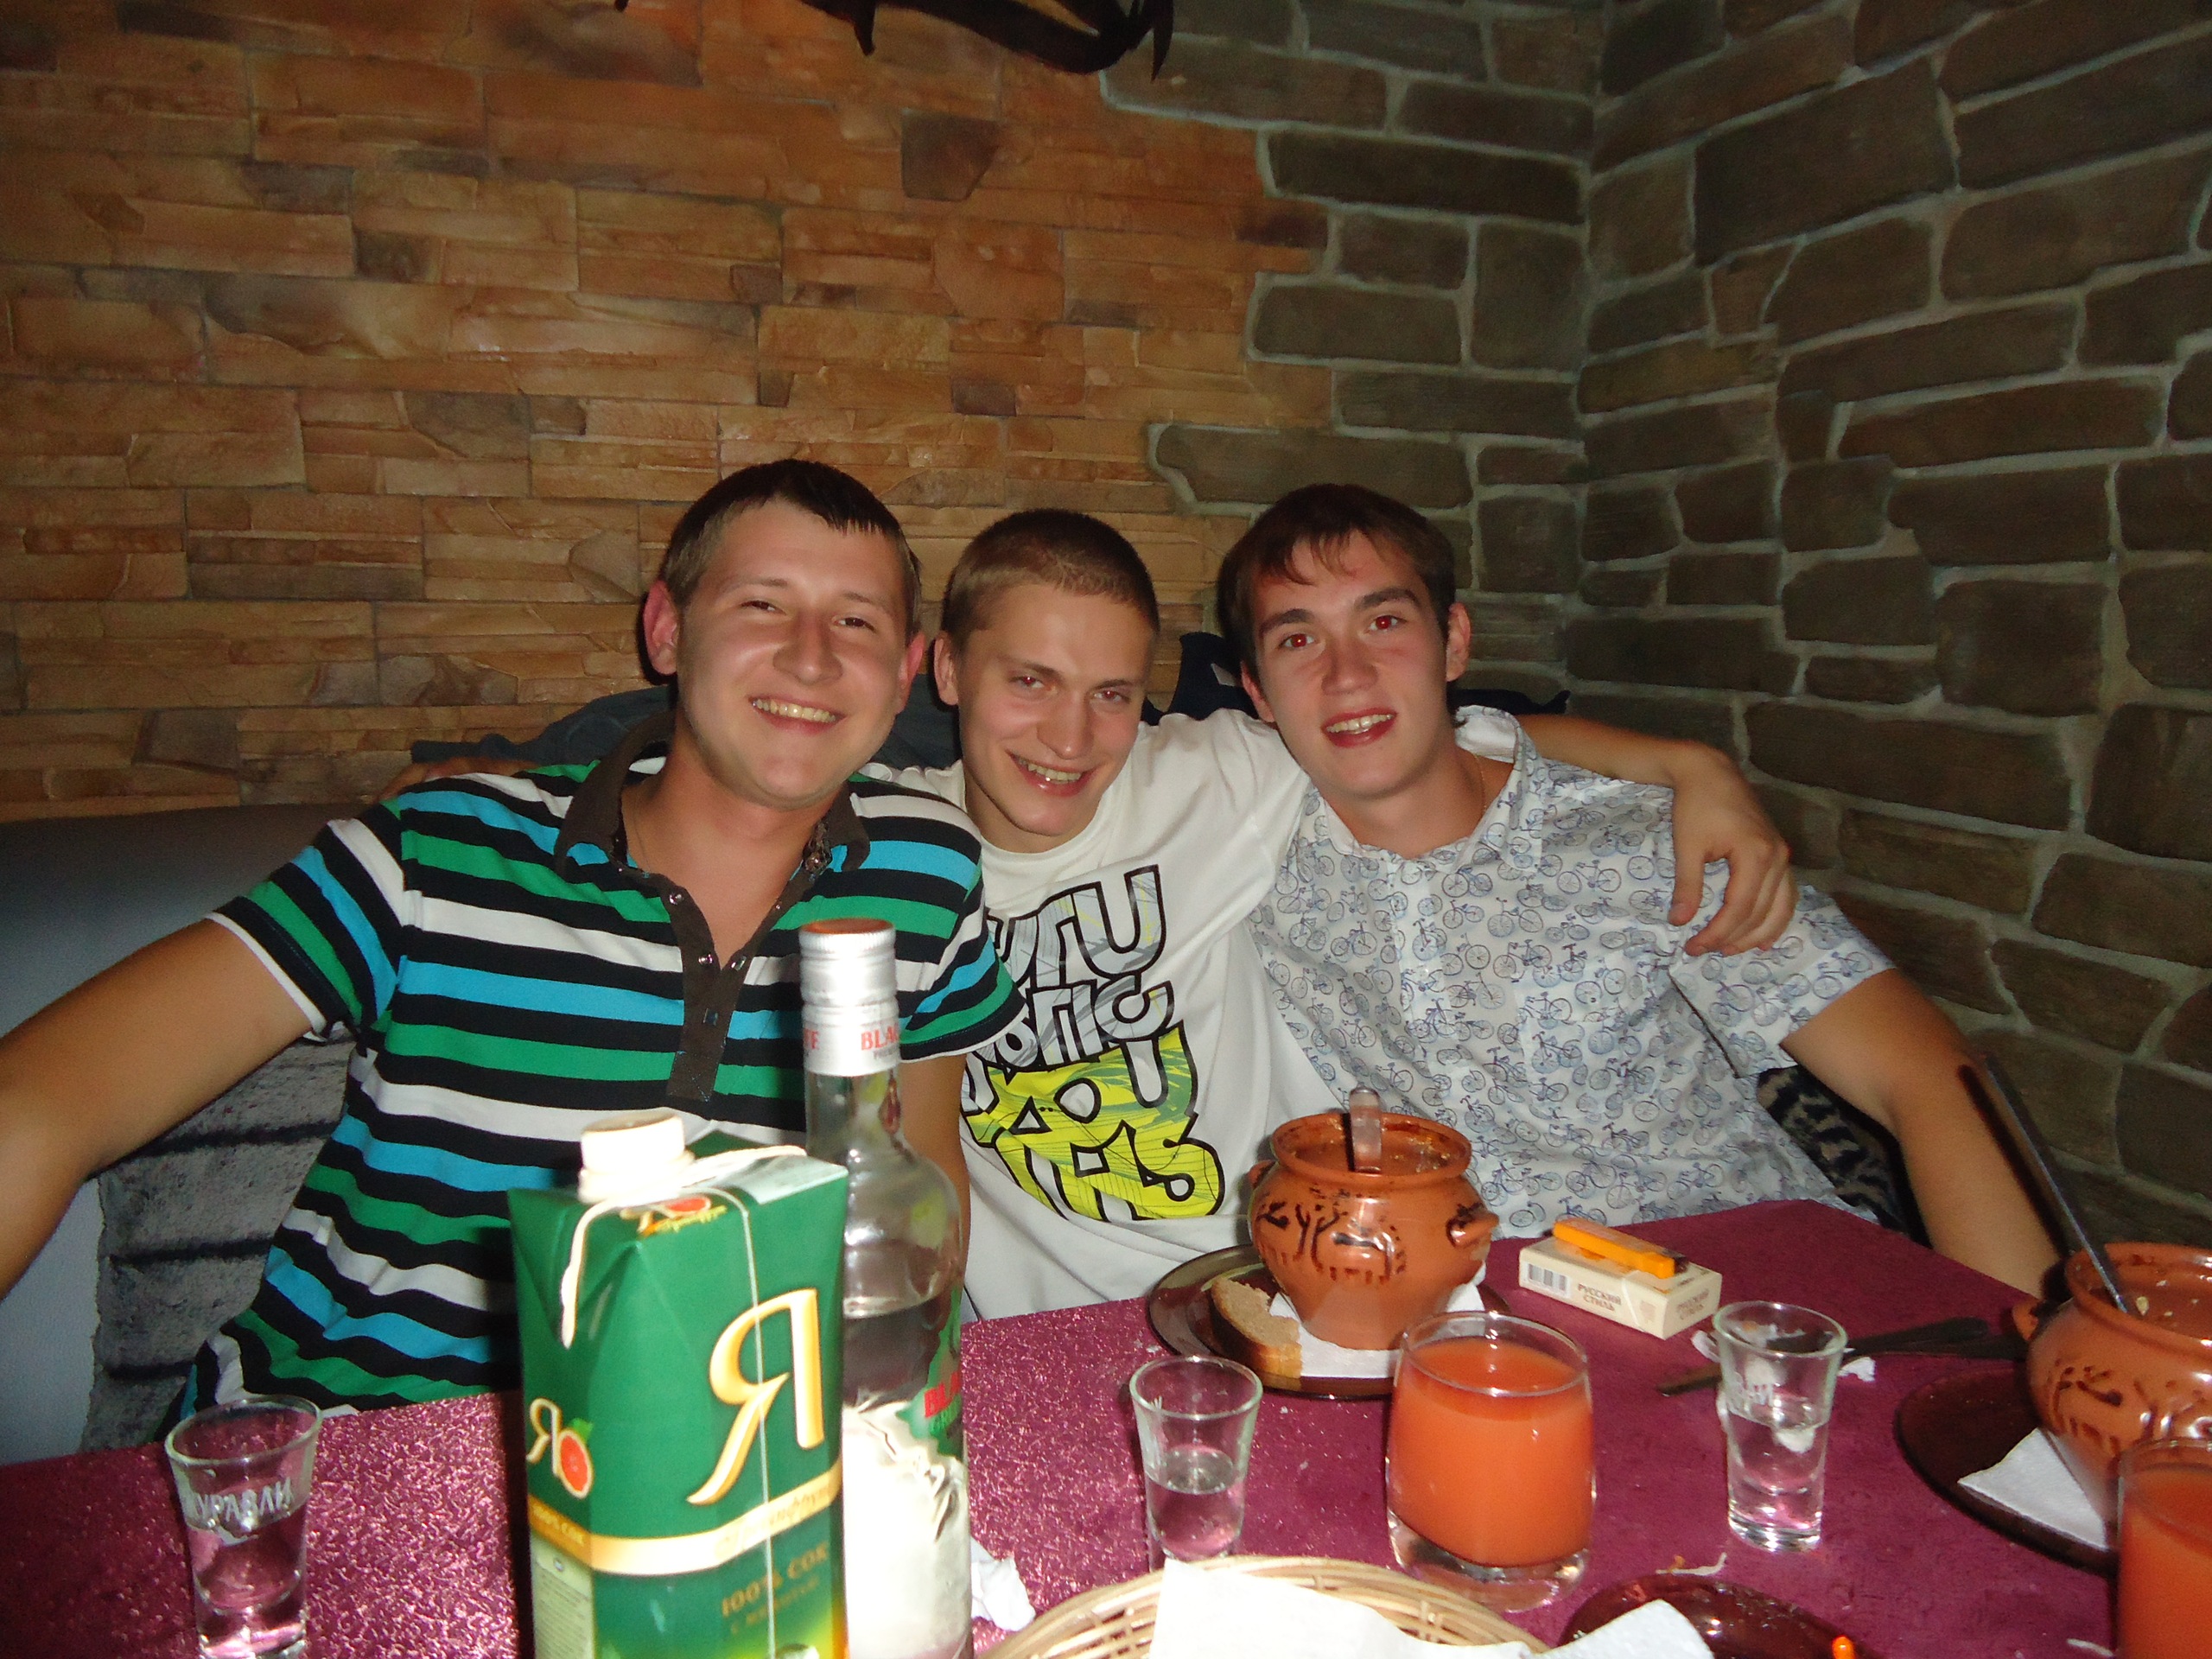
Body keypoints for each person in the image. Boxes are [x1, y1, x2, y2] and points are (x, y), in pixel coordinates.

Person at [400, 507, 1804, 1317]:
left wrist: (1686, 764)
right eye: (1029, 683)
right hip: (1041, 1341)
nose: (1073, 738)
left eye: (1115, 694)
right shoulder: (887, 844)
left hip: (1285, 1297)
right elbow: (696, 760)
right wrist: (519, 781)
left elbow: (1426, 727)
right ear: (946, 673)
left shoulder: (1224, 774)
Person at [0, 461, 1021, 1415]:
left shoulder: (926, 875)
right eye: (762, 605)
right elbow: (48, 1100)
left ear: (904, 673)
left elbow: (917, 1180)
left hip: (726, 1455)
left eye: (855, 620)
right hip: (356, 1444)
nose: (811, 655)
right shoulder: (437, 851)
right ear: (667, 631)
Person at [1218, 484, 2058, 1293]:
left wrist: (2011, 1359)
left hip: (1750, 1294)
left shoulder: (1652, 843)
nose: (1347, 674)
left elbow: (1932, 1082)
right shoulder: (1239, 846)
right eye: (1297, 640)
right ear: (1257, 692)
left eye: (1384, 621)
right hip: (1480, 1324)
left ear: (1455, 641)